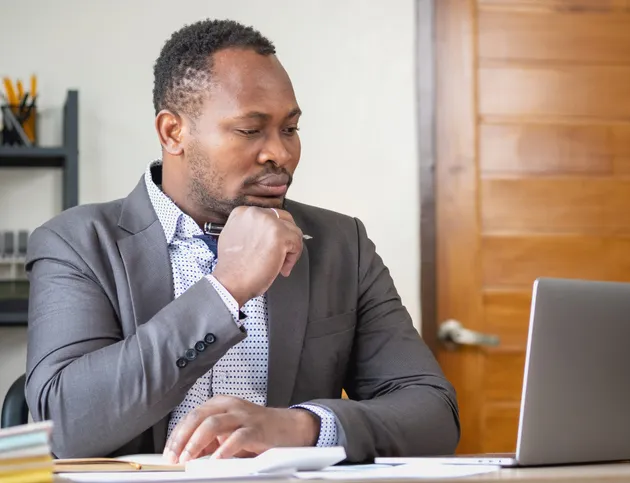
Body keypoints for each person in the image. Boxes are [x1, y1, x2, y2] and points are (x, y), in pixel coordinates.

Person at [24, 19, 459, 463]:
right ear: (173, 132)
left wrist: (301, 427)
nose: (280, 154)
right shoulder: (78, 244)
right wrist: (226, 289)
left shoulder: (341, 245)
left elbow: (433, 413)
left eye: (290, 129)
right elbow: (64, 427)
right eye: (251, 130)